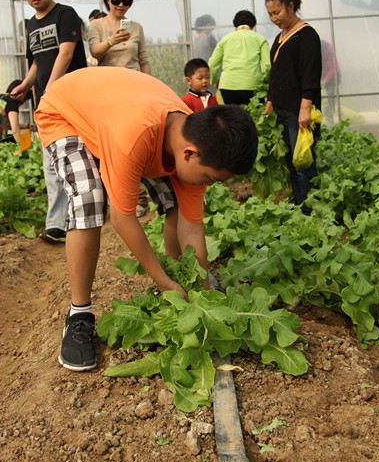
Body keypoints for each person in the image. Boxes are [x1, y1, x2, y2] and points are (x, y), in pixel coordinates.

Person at [34, 67, 258, 371]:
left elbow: (191, 226)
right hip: (65, 112)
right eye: (210, 178)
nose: (209, 184)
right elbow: (123, 217)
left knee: (178, 200)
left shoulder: (192, 136)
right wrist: (161, 281)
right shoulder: (134, 137)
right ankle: (79, 315)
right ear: (190, 154)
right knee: (90, 200)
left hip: (111, 111)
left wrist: (201, 283)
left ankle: (180, 278)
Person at [10, 0, 87, 244]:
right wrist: (26, 85)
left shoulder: (65, 15)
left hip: (69, 97)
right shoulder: (31, 24)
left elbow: (65, 54)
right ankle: (57, 223)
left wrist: (51, 88)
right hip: (47, 103)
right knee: (51, 161)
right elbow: (36, 62)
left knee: (75, 157)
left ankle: (79, 216)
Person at [89, 0, 151, 217]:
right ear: (107, 0)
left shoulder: (136, 27)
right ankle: (112, 200)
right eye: (116, 0)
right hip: (108, 93)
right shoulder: (97, 26)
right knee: (108, 147)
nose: (121, 5)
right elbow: (94, 52)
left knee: (135, 144)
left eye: (126, 1)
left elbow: (143, 59)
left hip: (134, 91)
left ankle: (140, 198)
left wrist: (150, 86)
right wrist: (111, 40)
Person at [264, 0, 322, 213]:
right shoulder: (282, 36)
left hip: (299, 110)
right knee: (291, 161)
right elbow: (277, 71)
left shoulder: (306, 35)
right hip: (283, 109)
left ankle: (311, 211)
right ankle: (300, 205)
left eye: (276, 12)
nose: (273, 18)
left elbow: (310, 74)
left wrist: (304, 108)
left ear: (290, 6)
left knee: (303, 162)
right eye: (269, 14)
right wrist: (270, 100)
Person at [208, 10, 270, 105]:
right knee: (253, 118)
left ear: (235, 26)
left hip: (228, 86)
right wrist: (267, 88)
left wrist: (214, 80)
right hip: (253, 86)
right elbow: (267, 66)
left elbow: (212, 64)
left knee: (231, 118)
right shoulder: (260, 39)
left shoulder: (225, 39)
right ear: (253, 26)